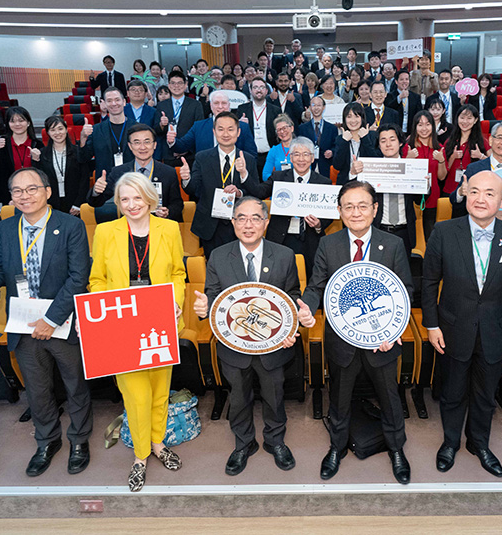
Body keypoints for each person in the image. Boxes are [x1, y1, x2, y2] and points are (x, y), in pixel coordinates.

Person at [0, 167, 93, 478]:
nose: (24, 196)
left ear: (48, 191)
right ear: (11, 196)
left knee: (75, 385)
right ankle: (47, 441)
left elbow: (78, 278)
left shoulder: (71, 225)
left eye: (32, 189)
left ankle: (79, 439)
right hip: (24, 324)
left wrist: (51, 319)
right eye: (17, 191)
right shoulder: (4, 229)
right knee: (37, 390)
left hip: (63, 320)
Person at [422, 170, 502, 477]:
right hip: (451, 328)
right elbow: (429, 282)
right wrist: (432, 325)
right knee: (452, 392)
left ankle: (479, 443)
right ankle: (450, 443)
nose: (480, 199)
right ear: (465, 194)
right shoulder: (443, 231)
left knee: (486, 395)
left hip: (494, 329)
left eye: (490, 193)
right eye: (474, 191)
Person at [301, 181, 414, 485]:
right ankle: (337, 447)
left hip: (383, 339)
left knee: (390, 398)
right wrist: (307, 307)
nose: (356, 212)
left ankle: (397, 449)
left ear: (375, 209)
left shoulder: (393, 244)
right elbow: (316, 286)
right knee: (339, 398)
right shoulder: (329, 244)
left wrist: (395, 327)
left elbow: (405, 290)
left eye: (362, 205)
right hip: (342, 340)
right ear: (339, 211)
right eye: (348, 206)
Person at [194, 197, 315, 475]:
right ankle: (243, 443)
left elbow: (292, 297)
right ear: (233, 222)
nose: (248, 225)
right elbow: (213, 298)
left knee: (275, 396)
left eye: (255, 218)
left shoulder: (284, 255)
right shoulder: (218, 256)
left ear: (266, 222)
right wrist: (204, 309)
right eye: (241, 218)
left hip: (274, 345)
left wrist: (292, 328)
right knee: (238, 398)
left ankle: (275, 441)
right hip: (233, 346)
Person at [88, 172, 186, 491]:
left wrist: (176, 302)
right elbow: (97, 279)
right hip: (122, 324)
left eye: (137, 197)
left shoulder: (169, 229)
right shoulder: (106, 232)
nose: (132, 204)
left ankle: (158, 443)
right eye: (125, 199)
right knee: (136, 395)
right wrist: (105, 306)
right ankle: (141, 456)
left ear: (150, 199)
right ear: (118, 202)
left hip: (160, 320)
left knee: (160, 390)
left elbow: (178, 273)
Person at [180, 111, 262, 258]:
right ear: (214, 131)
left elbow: (255, 192)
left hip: (240, 223)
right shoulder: (202, 157)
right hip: (210, 225)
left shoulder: (248, 159)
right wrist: (186, 179)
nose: (225, 134)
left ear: (238, 132)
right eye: (221, 129)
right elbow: (193, 189)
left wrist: (239, 193)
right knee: (213, 265)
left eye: (230, 129)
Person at [255, 137, 331, 280]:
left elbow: (329, 213)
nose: (301, 159)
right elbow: (259, 192)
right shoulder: (278, 177)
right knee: (278, 278)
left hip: (310, 238)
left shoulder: (323, 182)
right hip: (281, 238)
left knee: (311, 279)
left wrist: (319, 224)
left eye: (306, 154)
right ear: (291, 158)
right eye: (296, 154)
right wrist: (244, 174)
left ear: (312, 158)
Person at [90, 124, 183, 222]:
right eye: (137, 142)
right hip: (127, 226)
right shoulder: (118, 172)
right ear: (130, 146)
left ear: (154, 145)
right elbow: (96, 202)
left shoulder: (168, 172)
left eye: (147, 142)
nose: (142, 147)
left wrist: (167, 212)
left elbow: (177, 204)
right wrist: (96, 191)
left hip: (158, 224)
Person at [453, 121, 502, 224]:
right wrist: (460, 192)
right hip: (477, 225)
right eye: (499, 137)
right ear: (491, 140)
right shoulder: (474, 169)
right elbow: (454, 199)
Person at [363, 124, 416, 261]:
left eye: (392, 139)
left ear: (400, 142)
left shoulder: (412, 168)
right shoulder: (372, 169)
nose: (388, 144)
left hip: (405, 231)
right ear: (379, 145)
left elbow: (420, 200)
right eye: (383, 140)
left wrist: (424, 185)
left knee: (402, 271)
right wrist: (354, 173)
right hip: (379, 229)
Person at [0, 106, 42, 205]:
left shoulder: (38, 145)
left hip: (33, 194)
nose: (17, 124)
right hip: (9, 196)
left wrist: (38, 160)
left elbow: (45, 173)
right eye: (12, 121)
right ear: (8, 124)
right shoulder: (1, 143)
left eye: (21, 120)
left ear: (28, 123)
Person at [169, 90, 256, 157]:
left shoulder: (243, 127)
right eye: (216, 103)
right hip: (206, 172)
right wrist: (172, 141)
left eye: (224, 103)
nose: (220, 107)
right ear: (211, 106)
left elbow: (251, 155)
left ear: (229, 105)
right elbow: (182, 146)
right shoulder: (198, 126)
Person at [402, 111, 447, 241]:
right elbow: (402, 176)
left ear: (433, 126)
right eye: (420, 124)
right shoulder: (408, 147)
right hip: (412, 197)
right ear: (415, 127)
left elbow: (442, 177)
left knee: (430, 235)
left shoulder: (439, 148)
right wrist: (408, 159)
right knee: (412, 234)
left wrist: (441, 161)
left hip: (432, 197)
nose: (424, 128)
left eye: (427, 124)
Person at [35, 115, 90, 215]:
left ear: (66, 130)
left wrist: (78, 204)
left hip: (74, 203)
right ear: (48, 133)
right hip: (51, 204)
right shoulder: (42, 154)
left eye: (60, 129)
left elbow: (84, 179)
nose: (57, 133)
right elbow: (39, 180)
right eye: (53, 130)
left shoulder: (77, 152)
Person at [154, 70, 205, 167]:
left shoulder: (195, 104)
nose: (176, 86)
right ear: (169, 85)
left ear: (185, 85)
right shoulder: (161, 105)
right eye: (173, 83)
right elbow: (156, 130)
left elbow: (199, 130)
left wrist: (185, 149)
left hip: (190, 155)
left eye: (180, 83)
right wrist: (162, 125)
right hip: (168, 154)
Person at [80, 87, 135, 179]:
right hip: (105, 181)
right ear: (104, 104)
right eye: (109, 101)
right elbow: (83, 158)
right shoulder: (96, 130)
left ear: (124, 102)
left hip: (132, 180)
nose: (114, 103)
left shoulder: (137, 128)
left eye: (117, 100)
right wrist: (83, 138)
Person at [442, 104, 486, 202]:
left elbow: (493, 164)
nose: (465, 121)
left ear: (475, 120)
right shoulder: (449, 141)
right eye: (462, 118)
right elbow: (443, 172)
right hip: (450, 189)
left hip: (473, 191)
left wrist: (481, 156)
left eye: (469, 118)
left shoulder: (482, 142)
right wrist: (453, 157)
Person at [238, 77, 282, 174]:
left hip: (270, 155)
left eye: (262, 87)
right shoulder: (242, 109)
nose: (259, 90)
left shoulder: (276, 110)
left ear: (266, 91)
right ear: (250, 90)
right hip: (249, 156)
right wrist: (240, 124)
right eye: (255, 87)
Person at [331, 103, 379, 186]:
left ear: (362, 118)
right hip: (346, 183)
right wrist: (344, 141)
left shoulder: (372, 136)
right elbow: (337, 165)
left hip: (368, 183)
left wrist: (365, 139)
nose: (353, 120)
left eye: (356, 116)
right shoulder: (340, 139)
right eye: (349, 117)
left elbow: (376, 162)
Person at [297, 94, 337, 179]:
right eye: (313, 105)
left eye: (319, 105)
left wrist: (331, 152)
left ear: (323, 107)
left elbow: (336, 146)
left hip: (326, 165)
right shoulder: (302, 128)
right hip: (307, 165)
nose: (316, 108)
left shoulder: (332, 128)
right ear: (310, 107)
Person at [262, 114, 298, 180]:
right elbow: (265, 175)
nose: (282, 132)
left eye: (284, 128)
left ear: (292, 128)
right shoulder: (274, 151)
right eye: (278, 130)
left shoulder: (301, 149)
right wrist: (279, 180)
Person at [386, 69, 423, 134]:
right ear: (396, 81)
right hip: (395, 130)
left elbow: (419, 115)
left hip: (411, 131)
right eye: (401, 79)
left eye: (406, 79)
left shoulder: (416, 97)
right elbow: (388, 109)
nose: (404, 81)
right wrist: (399, 98)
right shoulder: (390, 96)